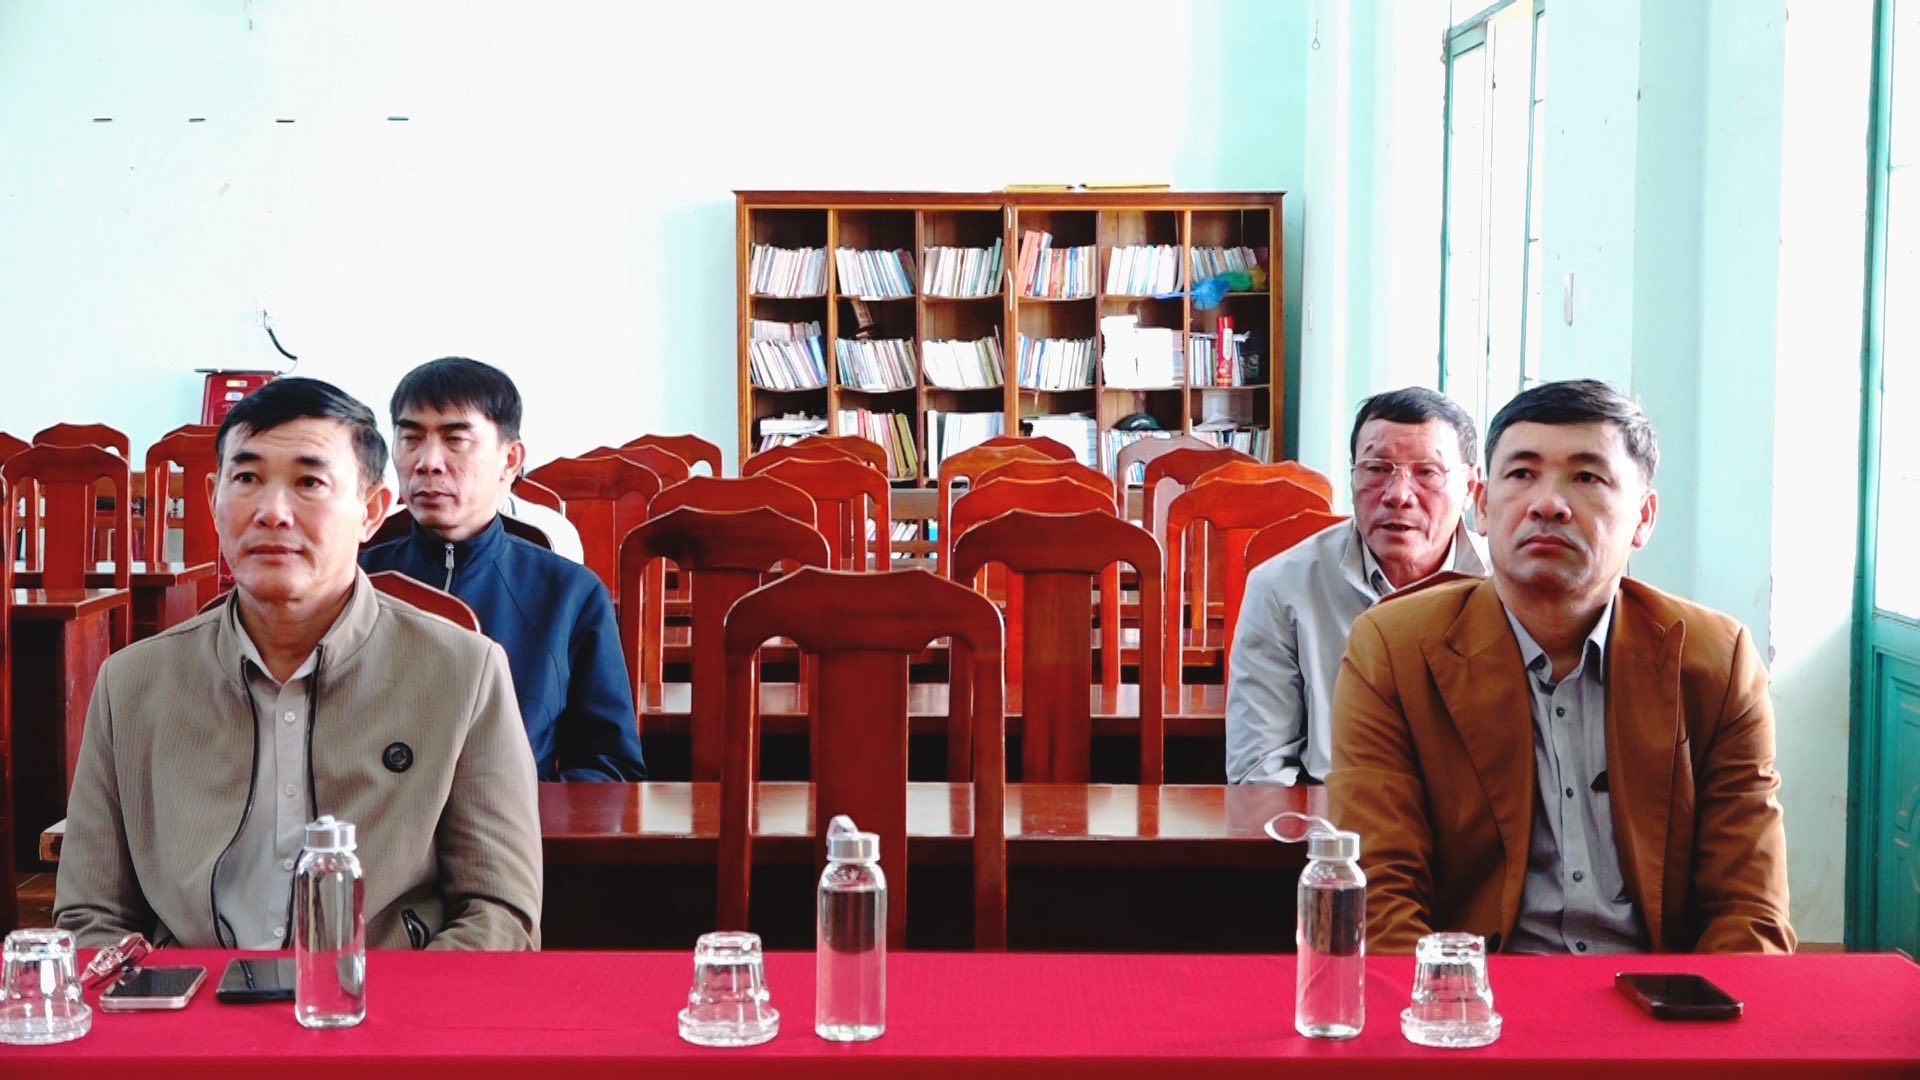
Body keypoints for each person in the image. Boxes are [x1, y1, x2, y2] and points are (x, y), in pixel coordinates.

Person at [55, 377, 543, 949]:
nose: (272, 512)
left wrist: (395, 1002)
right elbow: (90, 916)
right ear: (213, 499)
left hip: (385, 997)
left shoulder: (464, 674)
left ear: (371, 511)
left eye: (309, 482)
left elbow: (498, 911)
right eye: (246, 479)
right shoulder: (132, 684)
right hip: (194, 999)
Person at [1329, 379, 1794, 955]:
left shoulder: (1716, 662)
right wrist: (1454, 1004)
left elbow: (1749, 911)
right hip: (1469, 993)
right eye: (1522, 473)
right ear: (1482, 505)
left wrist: (1693, 1009)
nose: (1548, 503)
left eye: (1587, 477)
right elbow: (1380, 900)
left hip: (1657, 996)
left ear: (1644, 517)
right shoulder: (1394, 650)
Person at [360, 357, 646, 781]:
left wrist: (520, 809)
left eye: (455, 440)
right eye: (410, 438)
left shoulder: (571, 594)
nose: (427, 462)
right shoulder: (353, 582)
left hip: (518, 820)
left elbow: (610, 767)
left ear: (510, 460)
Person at [1225, 387, 1488, 785]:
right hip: (1331, 815)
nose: (1398, 495)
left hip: (1474, 820)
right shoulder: (1280, 587)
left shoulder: (1509, 587)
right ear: (1352, 475)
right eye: (1377, 468)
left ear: (1470, 487)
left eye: (1428, 472)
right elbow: (1259, 774)